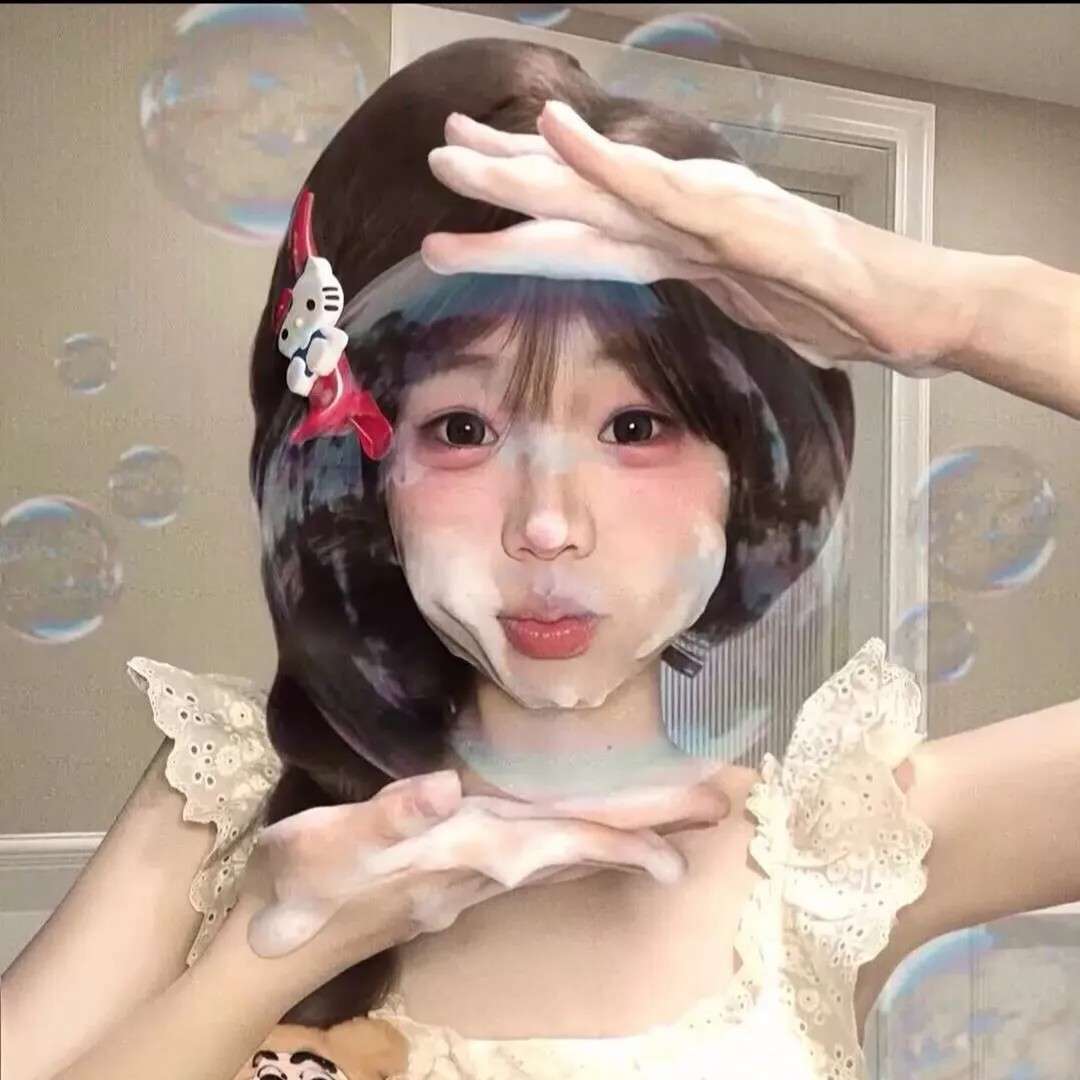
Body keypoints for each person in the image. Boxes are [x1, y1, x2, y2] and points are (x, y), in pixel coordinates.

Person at [4, 36, 1079, 1080]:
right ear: (367, 480)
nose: (550, 527)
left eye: (635, 426)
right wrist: (270, 953)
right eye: (462, 429)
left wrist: (959, 311)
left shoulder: (837, 856)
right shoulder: (226, 799)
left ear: (744, 473)